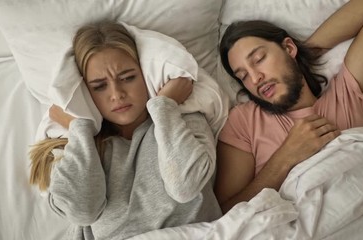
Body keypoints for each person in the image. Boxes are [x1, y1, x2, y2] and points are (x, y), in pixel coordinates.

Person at [29, 21, 222, 239]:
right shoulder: (75, 144)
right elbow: (82, 212)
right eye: (99, 86)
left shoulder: (182, 120)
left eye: (128, 78)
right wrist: (79, 126)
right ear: (85, 91)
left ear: (144, 74)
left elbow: (185, 187)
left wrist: (164, 106)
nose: (117, 94)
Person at [215, 0, 363, 213]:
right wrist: (286, 157)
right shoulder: (244, 121)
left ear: (288, 47)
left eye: (259, 58)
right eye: (243, 76)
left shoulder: (347, 96)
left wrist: (303, 54)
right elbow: (224, 215)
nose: (255, 78)